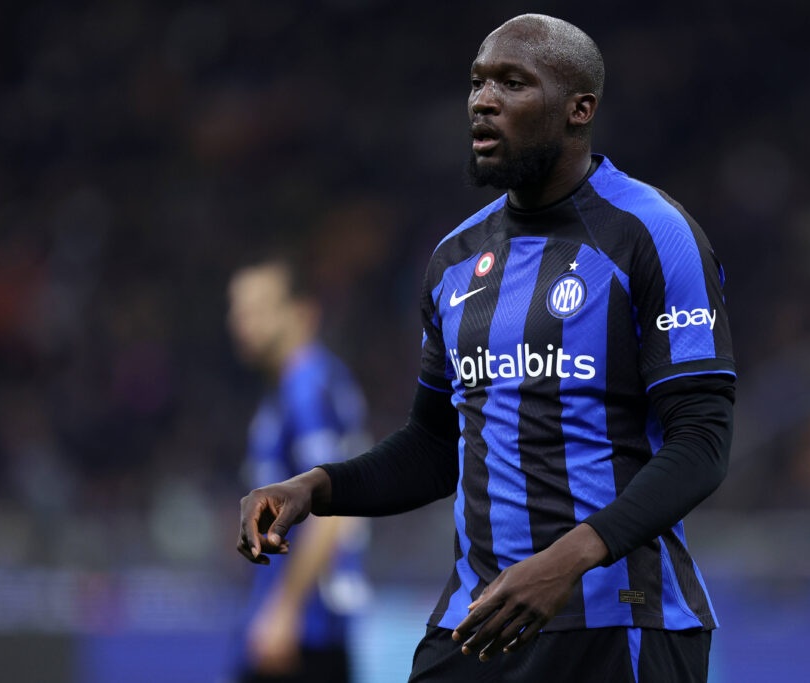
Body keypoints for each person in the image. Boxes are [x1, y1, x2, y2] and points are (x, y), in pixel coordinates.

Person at [237, 13, 735, 683]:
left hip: (620, 623)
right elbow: (436, 445)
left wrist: (568, 559)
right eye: (476, 82)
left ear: (579, 109)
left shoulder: (653, 234)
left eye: (512, 82)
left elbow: (702, 441)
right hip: (475, 629)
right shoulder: (454, 260)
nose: (483, 99)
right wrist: (316, 487)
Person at [226, 258, 370, 683]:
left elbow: (336, 507)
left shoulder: (307, 389)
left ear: (301, 312)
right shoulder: (294, 388)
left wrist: (284, 611)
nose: (239, 321)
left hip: (306, 628)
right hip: (295, 623)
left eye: (256, 308)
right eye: (236, 309)